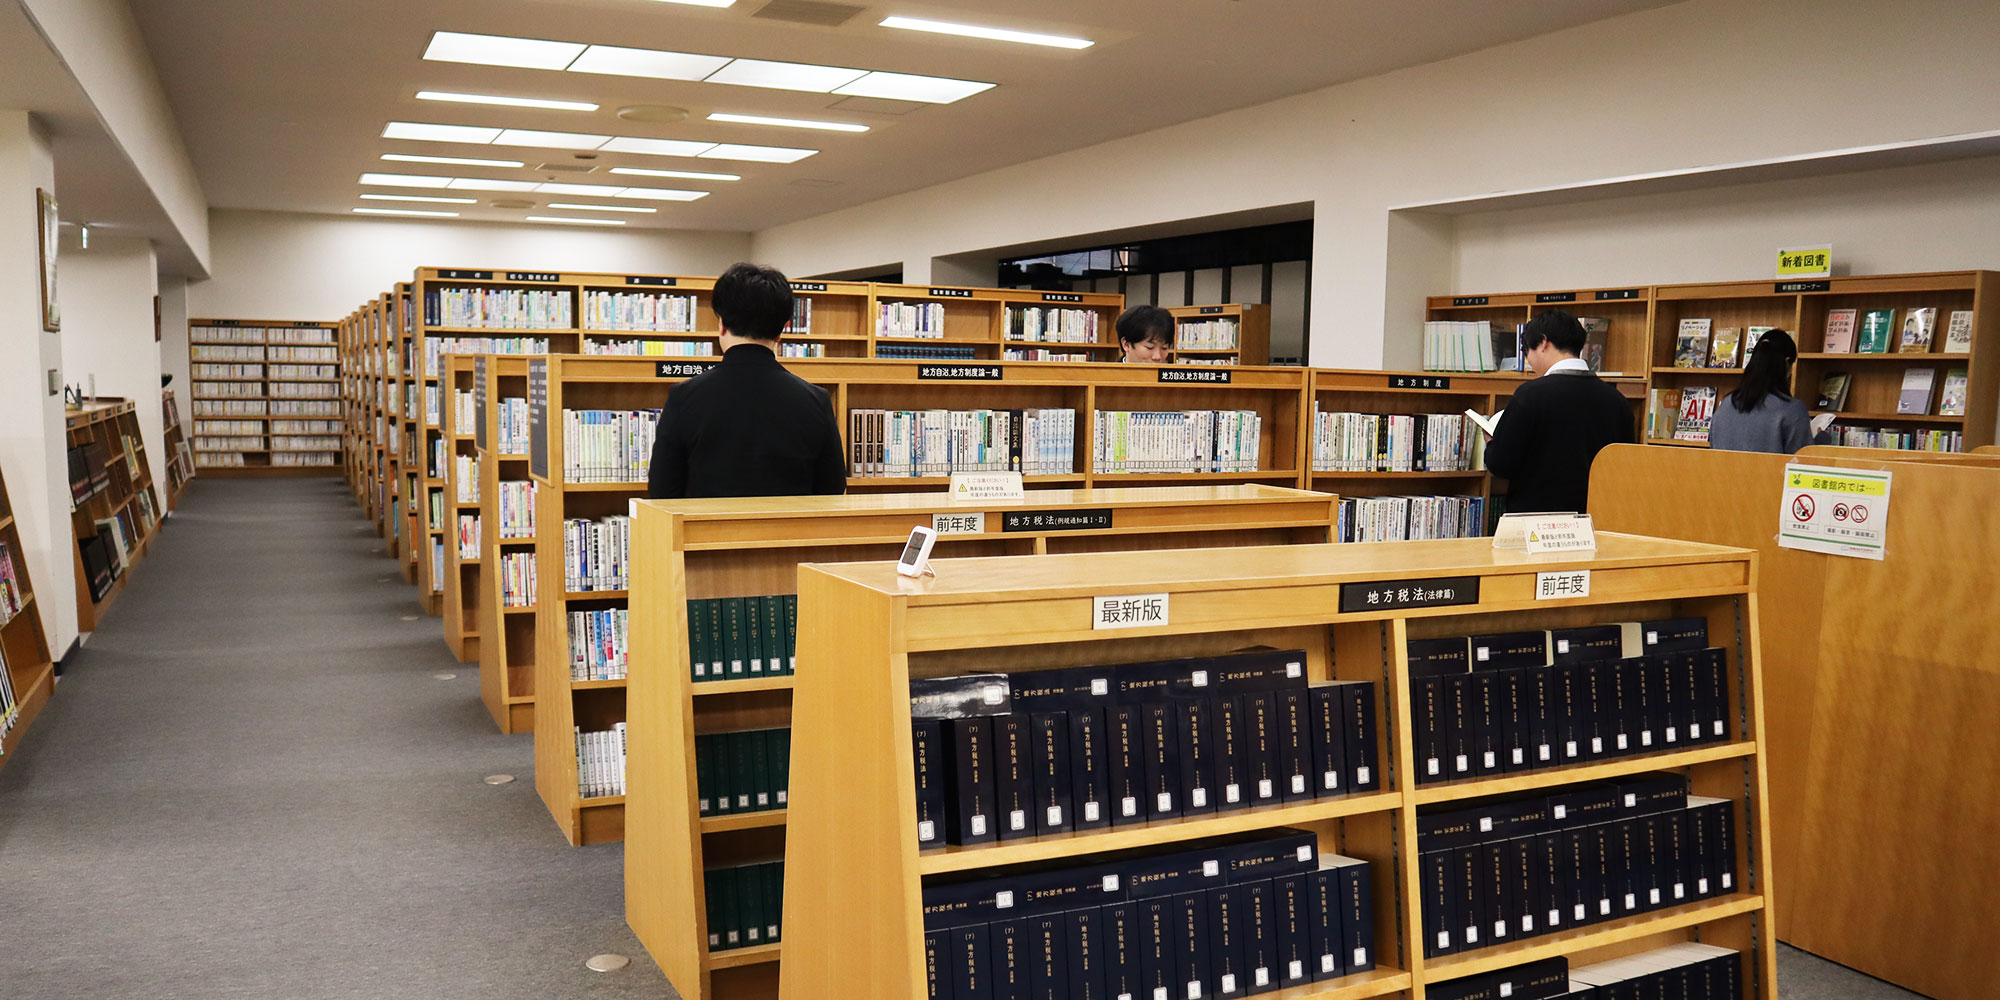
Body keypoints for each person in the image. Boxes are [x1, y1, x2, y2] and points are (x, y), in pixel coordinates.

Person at [646, 263, 847, 499]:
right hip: (787, 524)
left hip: (705, 524)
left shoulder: (684, 397)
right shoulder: (816, 400)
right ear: (781, 332)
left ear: (722, 325)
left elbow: (662, 490)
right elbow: (833, 487)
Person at [1483, 309, 1635, 514]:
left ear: (1543, 342)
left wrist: (1492, 443)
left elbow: (1501, 465)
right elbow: (1625, 467)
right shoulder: (1617, 401)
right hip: (1596, 520)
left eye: (1527, 350)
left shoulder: (1530, 395)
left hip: (1535, 521)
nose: (1529, 361)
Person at [1708, 329, 1824, 454]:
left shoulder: (1726, 405)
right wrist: (1822, 440)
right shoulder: (1792, 409)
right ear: (1787, 362)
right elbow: (1802, 459)